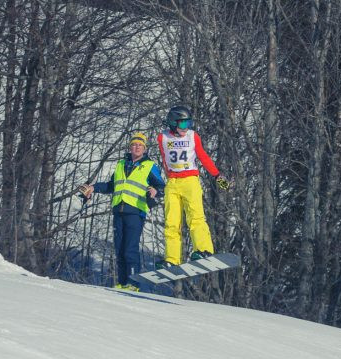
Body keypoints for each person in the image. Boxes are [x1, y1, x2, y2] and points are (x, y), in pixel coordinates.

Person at [79, 131, 165, 291]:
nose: (137, 147)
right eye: (134, 144)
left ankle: (133, 284)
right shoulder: (121, 164)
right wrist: (93, 188)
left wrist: (155, 191)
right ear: (130, 147)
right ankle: (123, 282)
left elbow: (162, 186)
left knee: (130, 249)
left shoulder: (149, 166)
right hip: (119, 210)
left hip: (136, 211)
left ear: (144, 148)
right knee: (119, 248)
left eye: (140, 145)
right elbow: (111, 186)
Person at [155, 105, 230, 269]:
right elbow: (165, 159)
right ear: (173, 123)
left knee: (196, 217)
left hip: (190, 180)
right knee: (171, 223)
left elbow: (202, 156)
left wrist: (217, 175)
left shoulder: (192, 136)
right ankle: (171, 259)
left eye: (188, 123)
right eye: (182, 124)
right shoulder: (163, 138)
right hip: (172, 184)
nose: (185, 127)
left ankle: (203, 250)